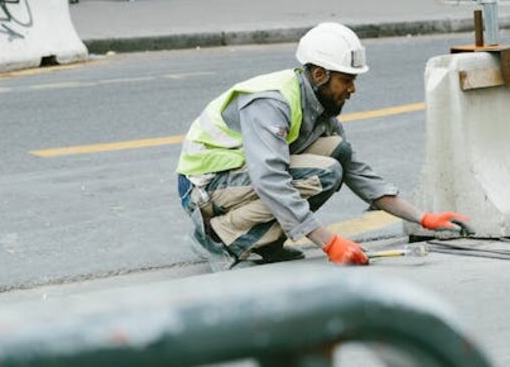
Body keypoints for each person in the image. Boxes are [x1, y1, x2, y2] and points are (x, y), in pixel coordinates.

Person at [176, 22, 469, 271]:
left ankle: (264, 243)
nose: (352, 89)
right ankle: (219, 237)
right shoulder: (272, 102)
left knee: (337, 152)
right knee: (324, 173)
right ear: (320, 75)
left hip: (236, 180)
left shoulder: (318, 106)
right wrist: (329, 242)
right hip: (205, 188)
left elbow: (356, 170)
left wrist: (422, 217)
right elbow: (271, 179)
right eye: (346, 80)